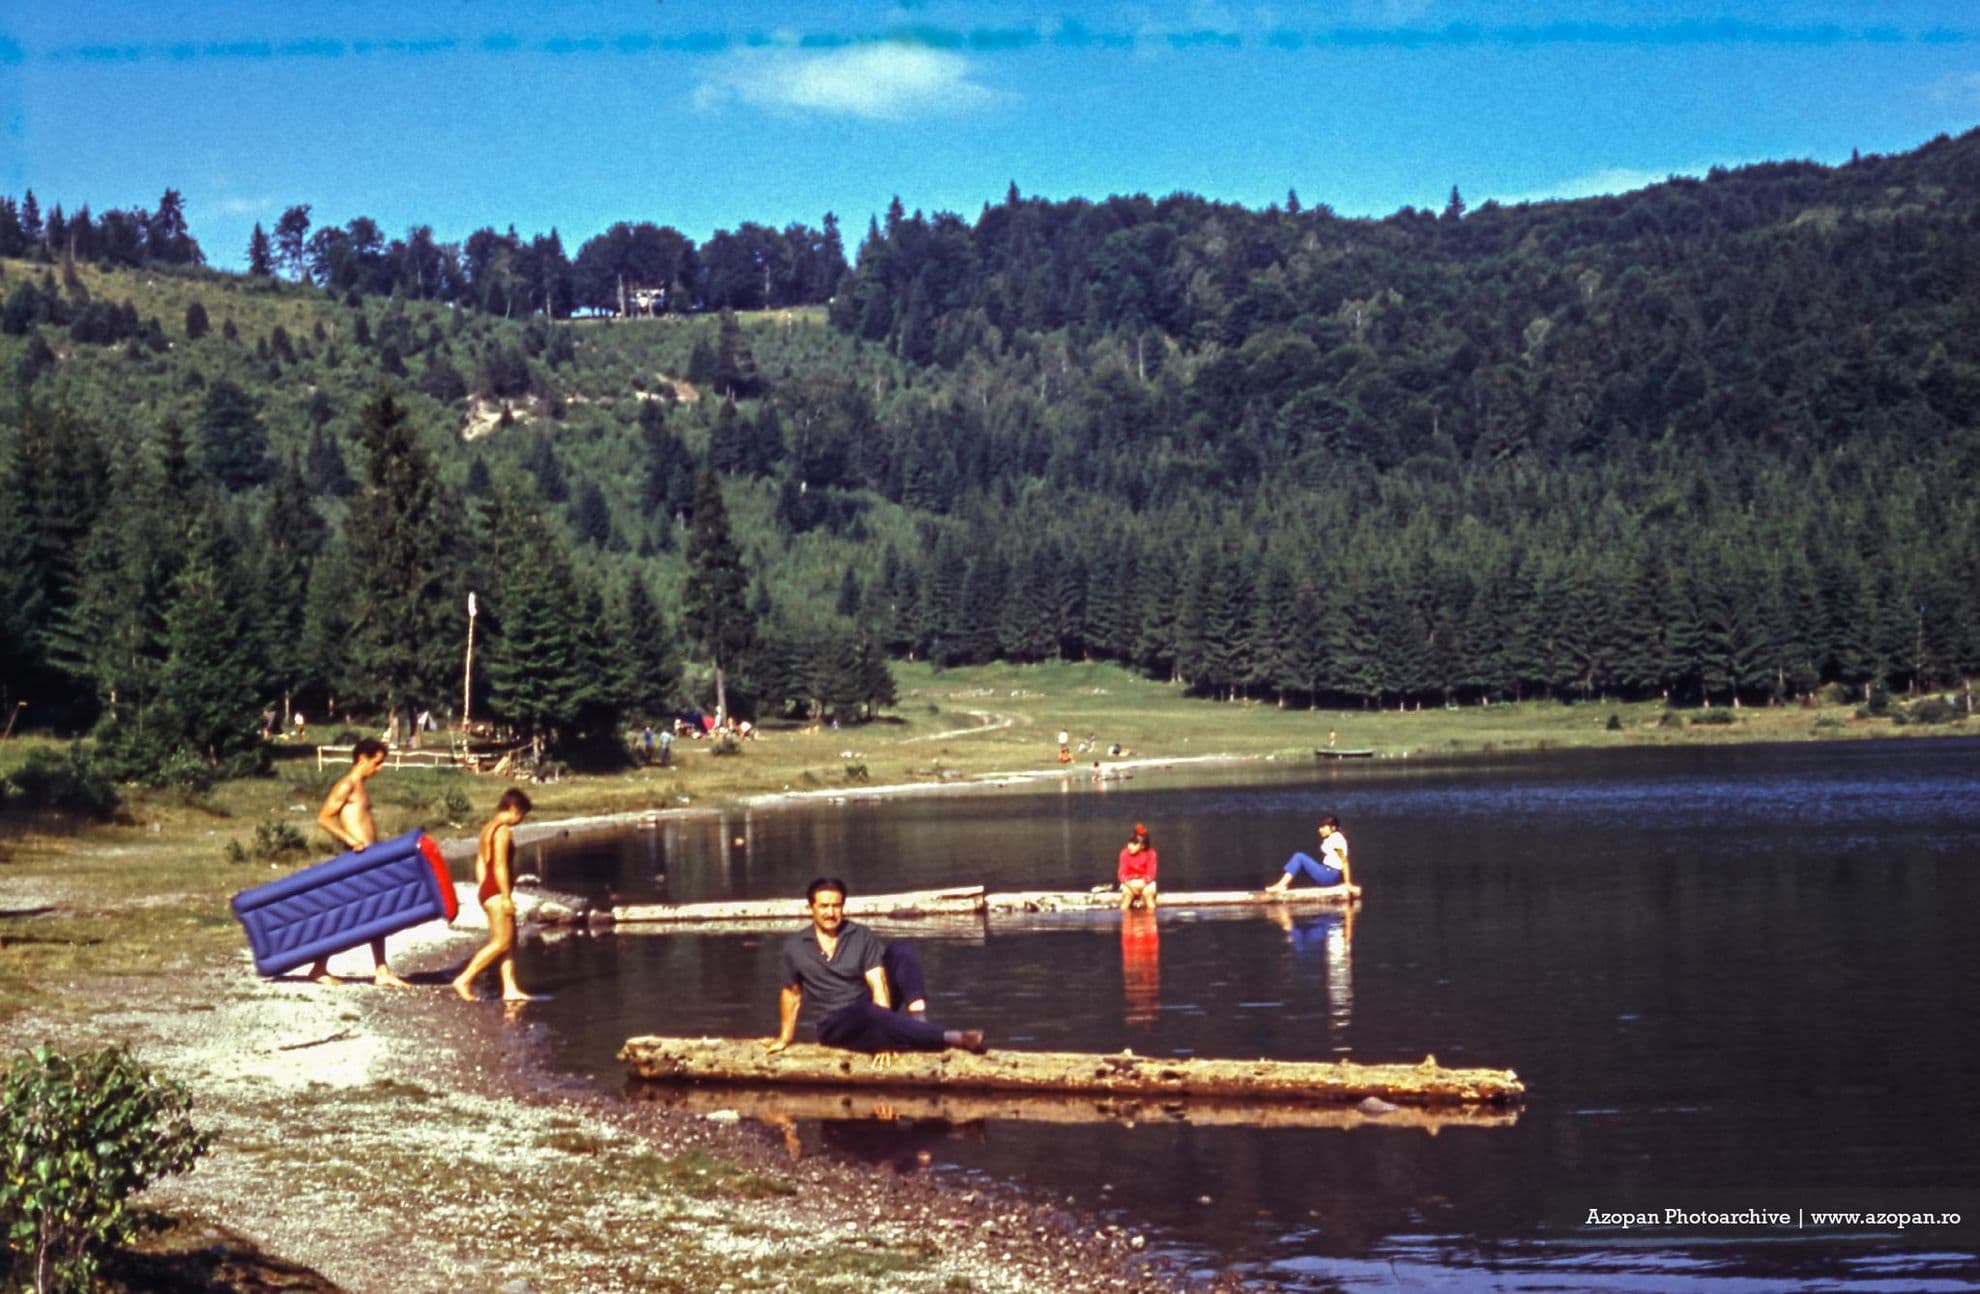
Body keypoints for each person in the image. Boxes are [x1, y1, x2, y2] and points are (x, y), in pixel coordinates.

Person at [763, 878, 985, 1056]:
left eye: (836, 906)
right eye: (824, 906)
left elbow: (878, 984)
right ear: (810, 907)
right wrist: (784, 1038)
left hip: (872, 1014)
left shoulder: (860, 934)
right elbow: (792, 996)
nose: (831, 913)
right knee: (864, 1010)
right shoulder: (795, 946)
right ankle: (954, 1037)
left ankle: (920, 1025)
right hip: (835, 1024)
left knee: (900, 950)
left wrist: (883, 1035)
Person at [309, 739, 412, 986]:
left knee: (377, 913)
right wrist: (351, 840)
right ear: (362, 759)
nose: (380, 768)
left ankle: (382, 971)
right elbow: (323, 817)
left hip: (369, 858)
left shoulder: (361, 786)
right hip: (356, 859)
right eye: (377, 763)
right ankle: (319, 968)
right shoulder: (347, 785)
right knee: (343, 912)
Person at [452, 789, 537, 1002]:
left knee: (510, 940)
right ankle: (464, 979)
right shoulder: (503, 831)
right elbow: (499, 865)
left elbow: (480, 861)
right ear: (513, 809)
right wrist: (505, 896)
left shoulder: (487, 829)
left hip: (488, 890)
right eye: (521, 815)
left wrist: (484, 889)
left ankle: (510, 988)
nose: (520, 821)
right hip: (497, 891)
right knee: (501, 941)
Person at [1265, 815, 1353, 891]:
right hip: (1328, 873)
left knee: (1299, 856)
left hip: (1328, 875)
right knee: (1299, 863)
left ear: (1333, 828)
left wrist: (1347, 883)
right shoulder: (1335, 838)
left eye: (1323, 827)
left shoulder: (1336, 839)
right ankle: (1283, 884)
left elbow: (1344, 861)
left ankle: (1281, 885)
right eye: (1320, 827)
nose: (1320, 830)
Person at [1117, 822, 1159, 910]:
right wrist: (1132, 887)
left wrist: (1142, 885)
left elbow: (1151, 874)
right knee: (1126, 899)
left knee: (1149, 897)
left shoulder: (1151, 854)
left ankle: (1151, 921)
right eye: (1129, 843)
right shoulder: (1124, 854)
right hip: (1129, 883)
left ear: (1142, 846)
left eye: (1134, 844)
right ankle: (1124, 921)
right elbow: (1122, 874)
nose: (1130, 846)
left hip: (1145, 883)